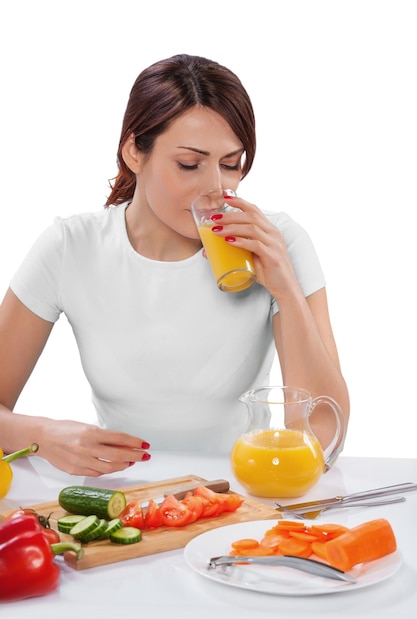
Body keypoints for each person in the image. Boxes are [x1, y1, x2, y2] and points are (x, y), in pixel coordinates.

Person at [0, 53, 349, 477]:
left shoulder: (276, 242)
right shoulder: (70, 247)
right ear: (134, 152)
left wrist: (285, 288)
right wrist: (44, 435)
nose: (216, 189)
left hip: (241, 493)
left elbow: (325, 438)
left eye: (230, 164)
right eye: (189, 164)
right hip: (121, 496)